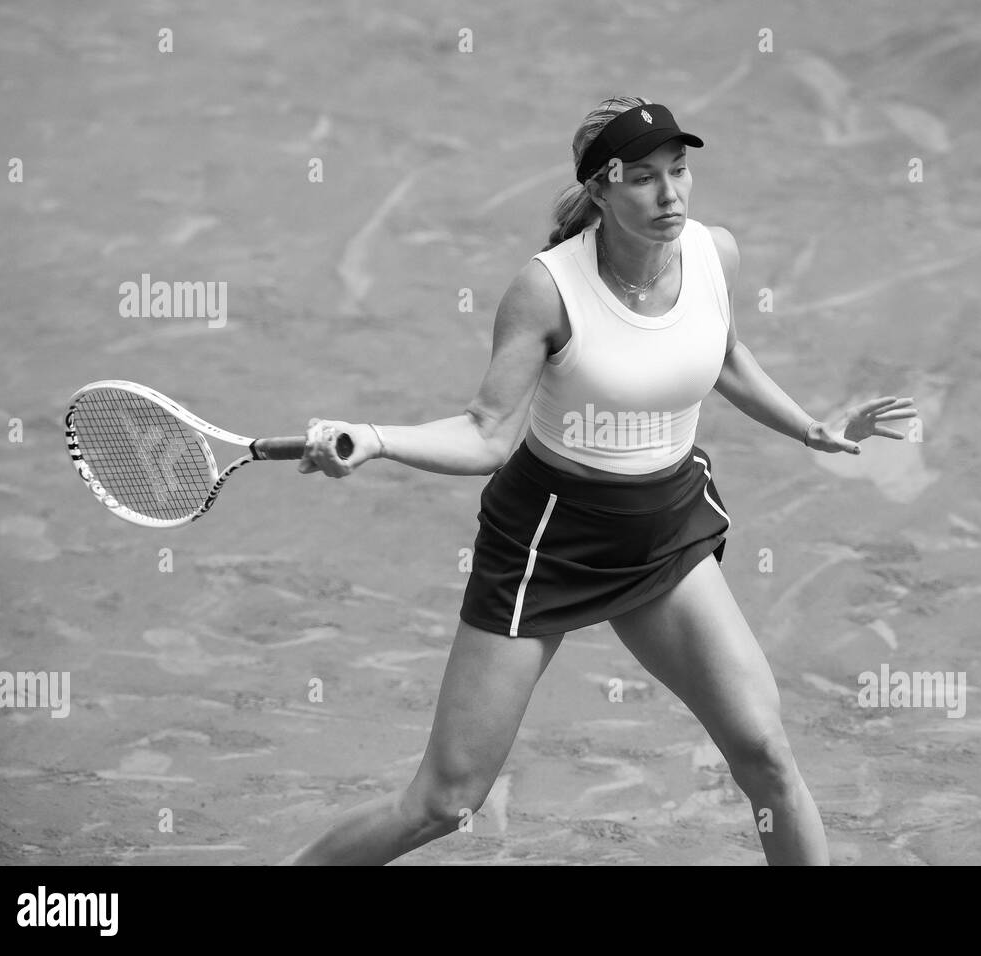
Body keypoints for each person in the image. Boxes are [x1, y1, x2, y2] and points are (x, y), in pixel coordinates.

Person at [288, 95, 917, 865]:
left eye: (680, 172)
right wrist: (377, 440)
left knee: (767, 755)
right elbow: (488, 433)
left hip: (666, 532)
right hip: (551, 543)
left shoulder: (714, 254)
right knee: (446, 802)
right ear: (601, 190)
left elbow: (721, 357)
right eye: (645, 179)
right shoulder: (547, 289)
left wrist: (810, 426)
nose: (671, 195)